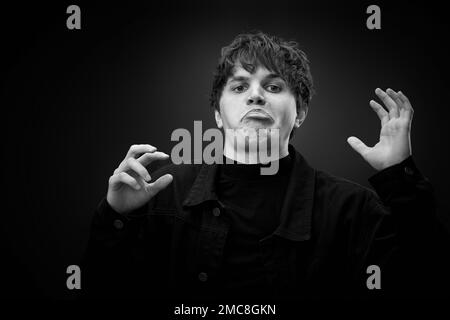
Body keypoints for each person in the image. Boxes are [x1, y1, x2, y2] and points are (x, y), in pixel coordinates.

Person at [81, 31, 446, 300]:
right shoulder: (160, 192)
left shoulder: (351, 209)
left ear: (300, 112)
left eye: (273, 87)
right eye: (239, 88)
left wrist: (399, 177)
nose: (255, 94)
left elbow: (421, 283)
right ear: (218, 115)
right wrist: (116, 216)